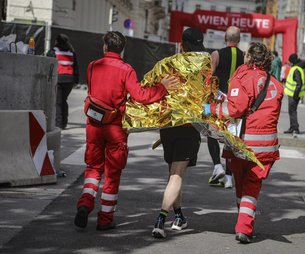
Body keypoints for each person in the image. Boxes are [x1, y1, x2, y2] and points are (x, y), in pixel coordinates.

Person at [74, 31, 178, 231]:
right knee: (112, 173)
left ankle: (85, 203)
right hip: (115, 128)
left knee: (93, 168)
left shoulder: (93, 67)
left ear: (105, 46)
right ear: (122, 49)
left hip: (93, 127)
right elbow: (141, 96)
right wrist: (162, 87)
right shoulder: (126, 70)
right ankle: (105, 219)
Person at [202, 42, 284, 243]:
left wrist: (210, 109)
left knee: (242, 184)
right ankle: (244, 223)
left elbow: (235, 110)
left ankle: (244, 227)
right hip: (267, 148)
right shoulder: (276, 84)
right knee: (252, 186)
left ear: (248, 58)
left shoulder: (242, 77)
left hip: (243, 145)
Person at [151, 27, 205, 239]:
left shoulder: (167, 64)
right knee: (176, 175)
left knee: (174, 174)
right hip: (188, 127)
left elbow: (153, 89)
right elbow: (206, 100)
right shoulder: (202, 68)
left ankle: (179, 216)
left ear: (182, 44)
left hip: (167, 126)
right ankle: (160, 220)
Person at [208, 26, 244, 188]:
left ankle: (217, 166)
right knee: (231, 138)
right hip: (236, 102)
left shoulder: (216, 54)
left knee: (211, 133)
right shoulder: (245, 57)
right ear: (239, 40)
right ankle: (229, 178)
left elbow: (208, 77)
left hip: (218, 100)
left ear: (225, 38)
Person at [47, 34, 79, 130]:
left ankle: (59, 123)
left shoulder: (53, 51)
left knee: (58, 102)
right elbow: (76, 67)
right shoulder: (71, 52)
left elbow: (48, 65)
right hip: (69, 80)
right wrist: (76, 80)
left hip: (59, 79)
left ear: (57, 41)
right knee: (63, 101)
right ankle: (64, 122)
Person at [283, 53, 305, 134]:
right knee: (292, 111)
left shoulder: (296, 69)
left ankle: (295, 128)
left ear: (292, 61)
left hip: (294, 95)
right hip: (293, 94)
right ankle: (293, 127)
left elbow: (299, 84)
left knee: (292, 112)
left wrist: (295, 96)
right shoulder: (297, 68)